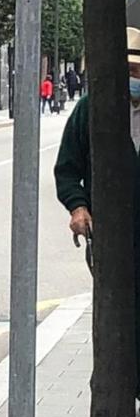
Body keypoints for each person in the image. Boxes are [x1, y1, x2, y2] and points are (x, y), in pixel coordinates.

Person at [56, 27, 140, 395]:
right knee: (118, 312)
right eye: (127, 72)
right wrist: (78, 206)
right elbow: (68, 168)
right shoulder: (90, 109)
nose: (132, 79)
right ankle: (120, 388)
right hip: (112, 232)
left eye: (136, 72)